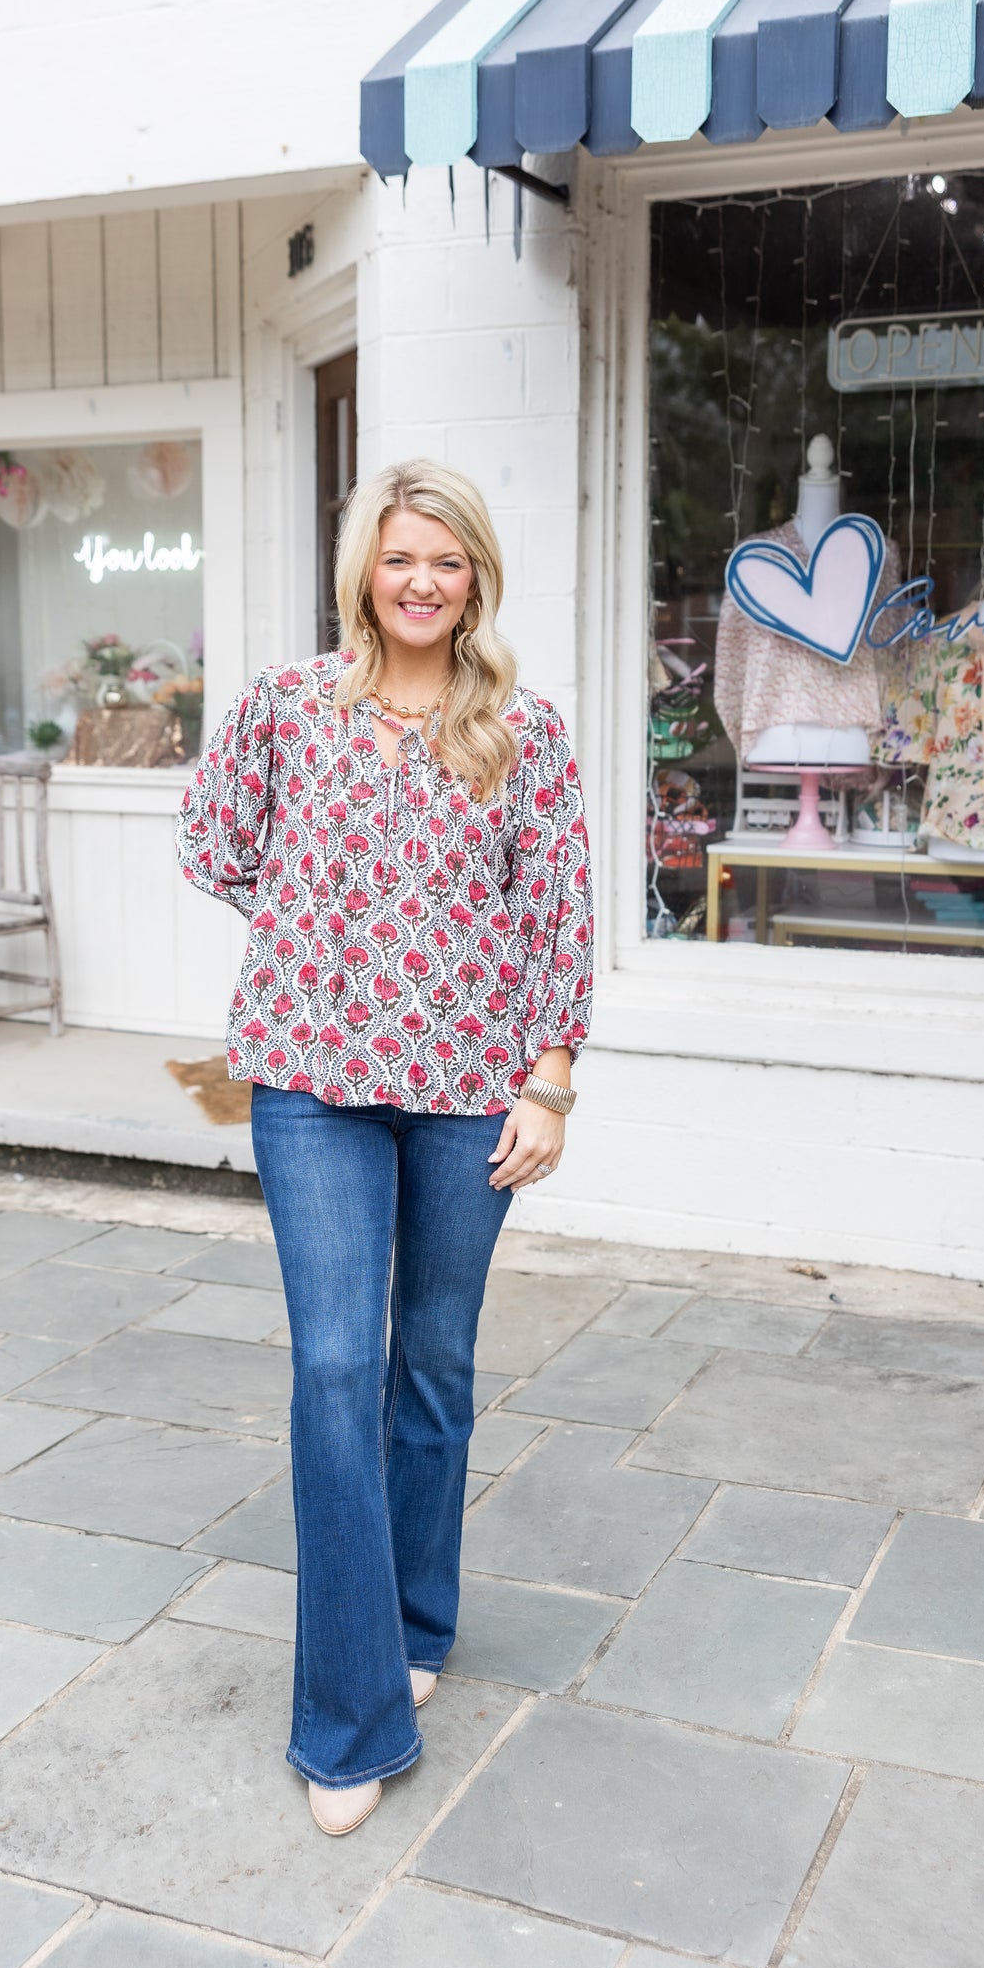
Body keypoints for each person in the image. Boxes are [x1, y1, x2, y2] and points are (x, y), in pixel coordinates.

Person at [176, 459, 593, 1836]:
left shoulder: (523, 731)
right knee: (334, 1368)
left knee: (435, 1363)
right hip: (310, 1083)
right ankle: (348, 1723)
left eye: (448, 562)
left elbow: (556, 915)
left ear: (476, 579)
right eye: (400, 558)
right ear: (365, 569)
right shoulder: (288, 706)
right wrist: (317, 937)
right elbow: (217, 844)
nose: (421, 582)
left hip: (475, 1088)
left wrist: (548, 1084)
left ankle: (419, 1621)